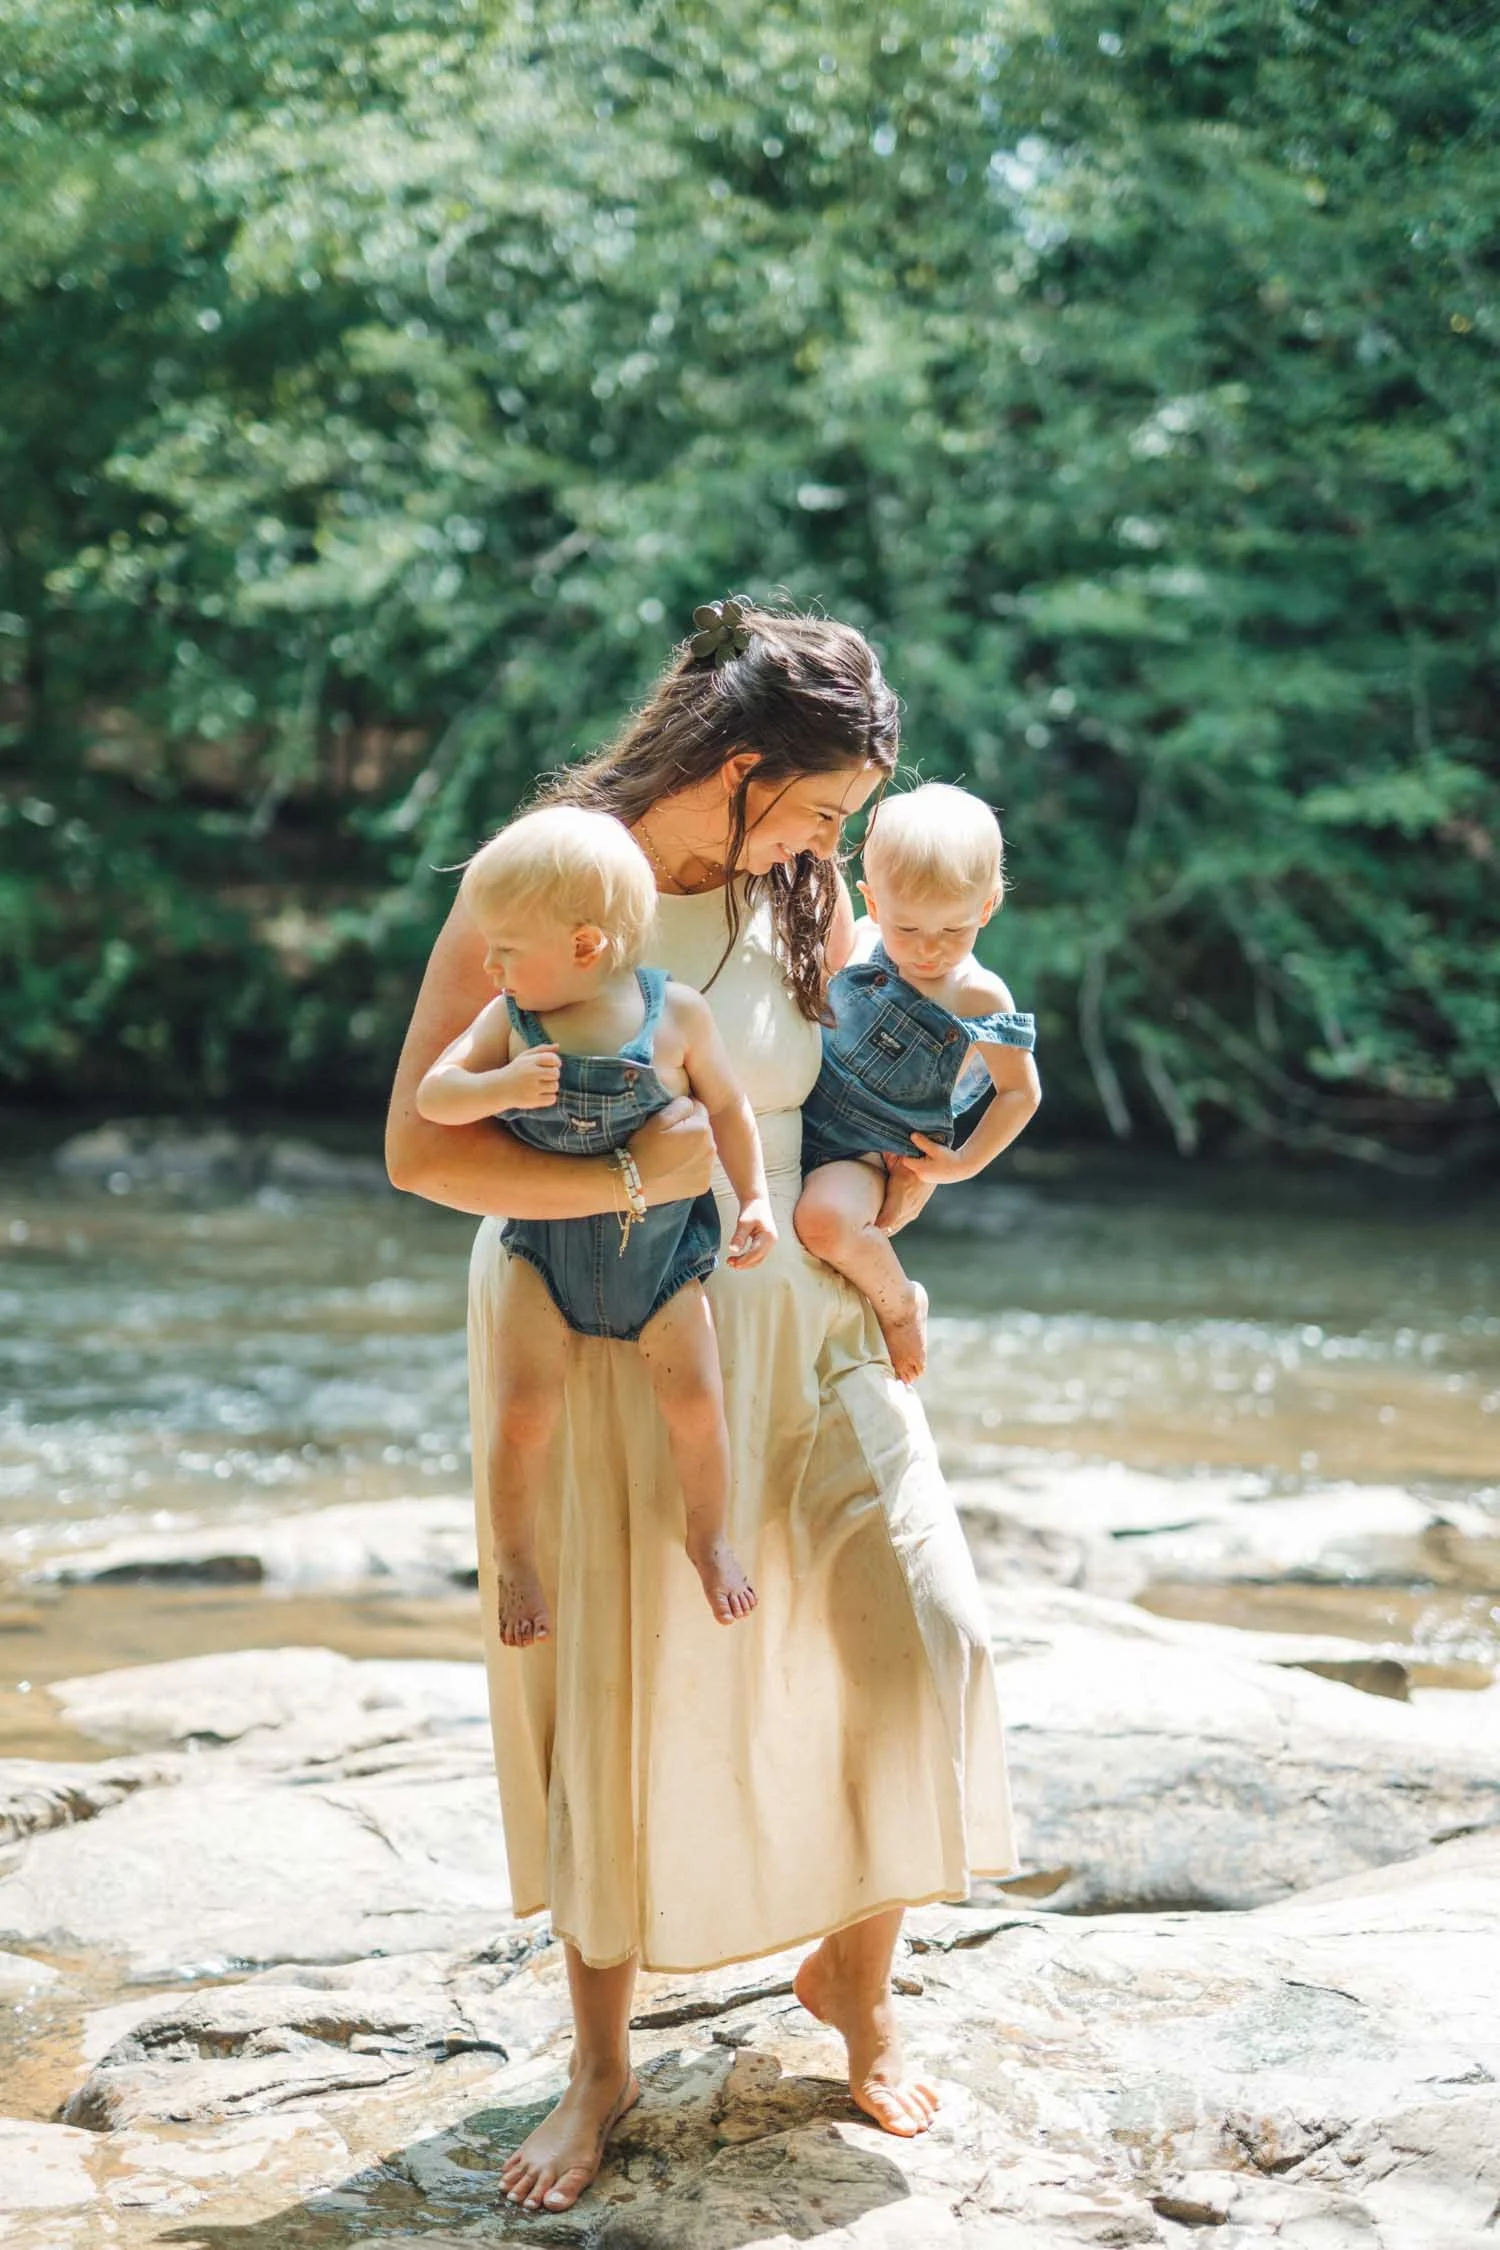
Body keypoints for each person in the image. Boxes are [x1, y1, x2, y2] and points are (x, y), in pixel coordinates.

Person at [386, 598, 1016, 2216]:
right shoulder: (551, 875)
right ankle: (599, 2064)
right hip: (605, 1306)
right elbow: (420, 1150)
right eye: (816, 809)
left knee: (930, 1628)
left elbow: (847, 1090)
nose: (830, 845)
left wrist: (918, 1166)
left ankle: (851, 1983)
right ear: (739, 767)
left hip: (803, 1317)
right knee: (618, 1680)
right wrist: (646, 1170)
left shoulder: (798, 887)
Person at [415, 806, 773, 1642]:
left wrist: (753, 1198)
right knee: (523, 1411)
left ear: (584, 947)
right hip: (545, 1253)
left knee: (697, 1406)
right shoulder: (509, 1022)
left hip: (660, 1259)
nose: (490, 963)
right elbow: (435, 1096)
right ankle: (516, 1560)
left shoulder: (675, 1016)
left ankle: (708, 1536)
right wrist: (496, 1088)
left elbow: (729, 1106)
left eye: (506, 948)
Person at [795, 783, 1042, 1385]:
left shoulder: (978, 995)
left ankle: (900, 1302)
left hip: (870, 1150)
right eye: (908, 930)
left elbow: (1020, 1092)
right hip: (804, 1111)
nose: (929, 951)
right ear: (872, 903)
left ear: (987, 908)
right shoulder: (860, 941)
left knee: (824, 1222)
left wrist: (961, 1165)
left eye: (953, 932)